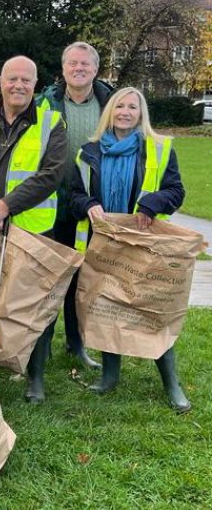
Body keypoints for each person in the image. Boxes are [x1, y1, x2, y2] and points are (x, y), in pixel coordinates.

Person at [68, 87, 190, 413]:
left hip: (145, 245)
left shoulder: (158, 149)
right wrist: (89, 203)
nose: (125, 112)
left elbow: (176, 191)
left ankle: (171, 382)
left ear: (141, 113)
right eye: (119, 105)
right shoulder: (88, 152)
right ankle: (110, 375)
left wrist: (152, 203)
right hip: (104, 245)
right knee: (108, 307)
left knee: (152, 309)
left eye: (132, 107)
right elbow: (74, 195)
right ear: (110, 111)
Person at [0, 55, 67, 404]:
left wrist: (8, 205)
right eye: (12, 79)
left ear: (35, 86)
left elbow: (51, 175)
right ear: (1, 82)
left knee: (31, 306)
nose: (18, 85)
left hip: (31, 234)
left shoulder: (52, 123)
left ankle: (34, 376)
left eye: (26, 80)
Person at [36, 41, 114, 370]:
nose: (79, 68)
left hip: (92, 207)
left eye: (85, 64)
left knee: (83, 280)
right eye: (73, 63)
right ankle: (41, 345)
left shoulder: (110, 102)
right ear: (64, 68)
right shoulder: (47, 102)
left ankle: (76, 343)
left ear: (96, 69)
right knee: (49, 279)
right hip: (52, 205)